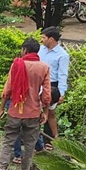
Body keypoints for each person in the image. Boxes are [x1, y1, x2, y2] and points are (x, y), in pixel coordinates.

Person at [0, 38, 51, 170]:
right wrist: (45, 112)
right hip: (33, 112)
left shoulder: (17, 64)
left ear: (25, 50)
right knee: (30, 146)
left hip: (15, 111)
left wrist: (1, 109)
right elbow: (46, 95)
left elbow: (7, 90)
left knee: (8, 142)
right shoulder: (44, 67)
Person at [13, 26, 70, 161]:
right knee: (34, 110)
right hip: (37, 82)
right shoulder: (40, 50)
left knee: (49, 112)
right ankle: (33, 139)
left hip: (52, 84)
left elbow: (63, 74)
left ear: (51, 39)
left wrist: (61, 92)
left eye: (44, 37)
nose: (42, 39)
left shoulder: (62, 55)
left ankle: (48, 140)